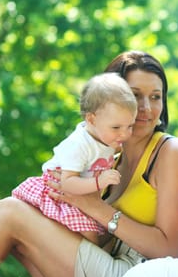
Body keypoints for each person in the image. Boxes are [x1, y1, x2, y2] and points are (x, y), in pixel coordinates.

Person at [0, 51, 178, 277]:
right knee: (15, 212)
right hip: (111, 267)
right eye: (134, 96)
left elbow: (170, 249)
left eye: (155, 97)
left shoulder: (171, 153)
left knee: (10, 214)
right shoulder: (111, 158)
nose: (146, 108)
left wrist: (93, 206)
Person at [12, 72, 137, 245]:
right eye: (116, 127)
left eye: (130, 126)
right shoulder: (79, 145)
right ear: (92, 119)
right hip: (59, 193)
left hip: (82, 193)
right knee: (90, 237)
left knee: (100, 238)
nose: (125, 134)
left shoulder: (106, 137)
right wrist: (99, 181)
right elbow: (67, 183)